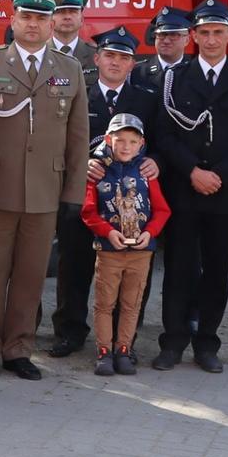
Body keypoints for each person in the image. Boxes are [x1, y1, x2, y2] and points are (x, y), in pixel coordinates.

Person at [0, 0, 88, 382]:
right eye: (26, 17)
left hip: (45, 192)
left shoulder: (69, 70)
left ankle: (18, 349)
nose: (33, 25)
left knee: (31, 276)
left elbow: (78, 137)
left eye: (41, 19)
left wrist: (74, 193)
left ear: (52, 24)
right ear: (13, 20)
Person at [152, 0, 228, 373]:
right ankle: (173, 342)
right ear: (194, 36)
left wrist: (221, 176)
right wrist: (193, 173)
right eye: (205, 33)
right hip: (184, 189)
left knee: (217, 271)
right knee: (179, 267)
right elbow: (164, 136)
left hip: (225, 192)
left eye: (219, 32)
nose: (212, 39)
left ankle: (207, 344)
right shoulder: (175, 77)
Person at [54, 26, 163, 360]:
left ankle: (122, 338)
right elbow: (57, 137)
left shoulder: (146, 98)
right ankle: (70, 332)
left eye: (124, 58)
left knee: (128, 270)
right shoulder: (78, 91)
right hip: (82, 197)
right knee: (74, 265)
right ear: (97, 57)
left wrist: (155, 163)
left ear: (133, 64)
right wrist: (80, 164)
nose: (116, 62)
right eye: (110, 55)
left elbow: (161, 142)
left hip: (131, 204)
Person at [81, 112, 171, 377]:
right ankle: (104, 351)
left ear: (141, 144)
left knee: (131, 304)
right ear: (109, 139)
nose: (125, 147)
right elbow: (88, 211)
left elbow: (163, 210)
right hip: (110, 252)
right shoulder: (97, 172)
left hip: (141, 252)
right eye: (120, 140)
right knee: (104, 304)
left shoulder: (147, 173)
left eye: (132, 142)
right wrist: (107, 232)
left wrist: (150, 234)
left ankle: (123, 349)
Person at [135, 7, 192, 88]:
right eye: (161, 34)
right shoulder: (136, 73)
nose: (166, 41)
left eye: (173, 35)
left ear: (187, 39)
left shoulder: (196, 73)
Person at [48, 0, 95, 69]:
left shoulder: (96, 56)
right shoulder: (38, 54)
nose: (67, 17)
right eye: (61, 12)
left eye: (73, 11)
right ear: (50, 19)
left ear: (81, 19)